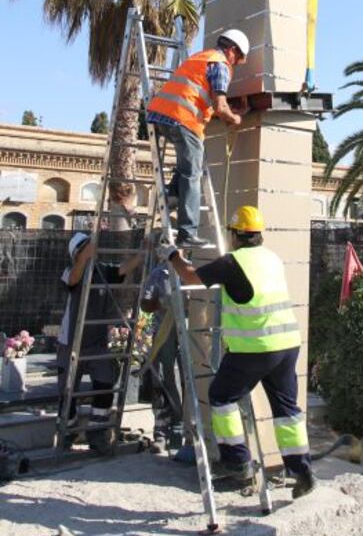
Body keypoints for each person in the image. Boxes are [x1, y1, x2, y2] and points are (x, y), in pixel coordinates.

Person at [161, 205, 316, 499]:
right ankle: (302, 470)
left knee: (221, 397)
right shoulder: (272, 258)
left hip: (254, 348)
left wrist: (171, 255)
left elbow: (191, 278)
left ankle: (238, 462)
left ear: (234, 234)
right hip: (287, 345)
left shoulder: (232, 262)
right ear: (258, 234)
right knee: (287, 410)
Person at [147, 29, 249, 247]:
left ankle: (173, 194)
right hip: (183, 120)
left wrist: (225, 110)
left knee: (187, 166)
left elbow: (199, 96)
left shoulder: (201, 57)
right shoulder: (221, 65)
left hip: (161, 115)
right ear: (232, 51)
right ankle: (187, 234)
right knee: (193, 174)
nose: (236, 64)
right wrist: (235, 119)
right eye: (239, 59)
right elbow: (220, 107)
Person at [57, 231, 142, 454]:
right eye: (86, 247)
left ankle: (97, 433)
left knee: (104, 385)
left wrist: (145, 249)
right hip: (71, 342)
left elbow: (124, 268)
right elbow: (74, 280)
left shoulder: (102, 271)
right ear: (78, 253)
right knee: (67, 391)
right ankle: (68, 430)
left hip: (96, 343)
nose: (93, 249)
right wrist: (84, 258)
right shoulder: (70, 272)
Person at [140, 262, 184, 454]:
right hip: (165, 335)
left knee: (187, 382)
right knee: (165, 382)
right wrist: (161, 303)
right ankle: (163, 431)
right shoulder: (157, 275)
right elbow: (145, 303)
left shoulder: (191, 270)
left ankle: (182, 428)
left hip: (187, 334)